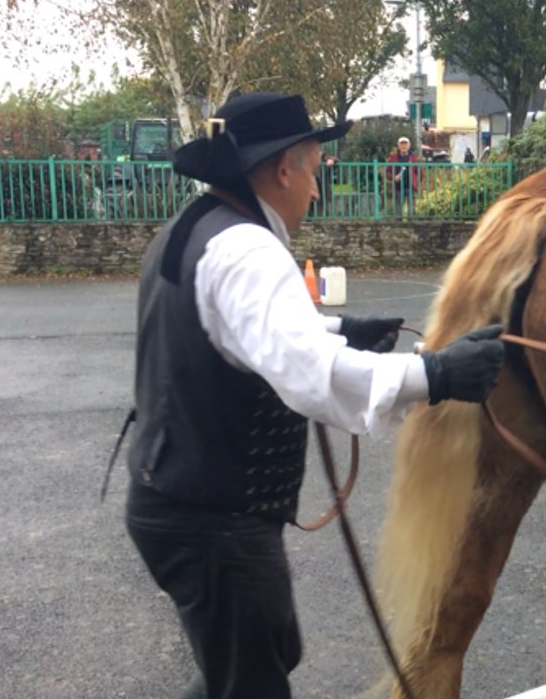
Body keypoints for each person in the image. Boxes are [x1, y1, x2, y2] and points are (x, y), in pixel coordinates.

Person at [125, 92, 505, 699]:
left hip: (183, 505)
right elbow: (312, 374)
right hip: (212, 522)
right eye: (314, 171)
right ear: (283, 169)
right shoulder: (248, 251)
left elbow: (242, 332)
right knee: (253, 683)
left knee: (268, 653)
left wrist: (340, 329)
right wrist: (435, 375)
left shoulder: (200, 228)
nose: (317, 191)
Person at [386, 137, 419, 218]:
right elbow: (387, 172)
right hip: (398, 187)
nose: (404, 146)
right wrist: (394, 177)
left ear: (409, 146)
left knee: (411, 210)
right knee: (398, 210)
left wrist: (415, 182)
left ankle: (411, 226)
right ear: (398, 146)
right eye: (402, 144)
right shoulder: (393, 159)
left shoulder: (414, 159)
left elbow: (419, 173)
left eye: (405, 144)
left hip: (411, 187)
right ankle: (398, 227)